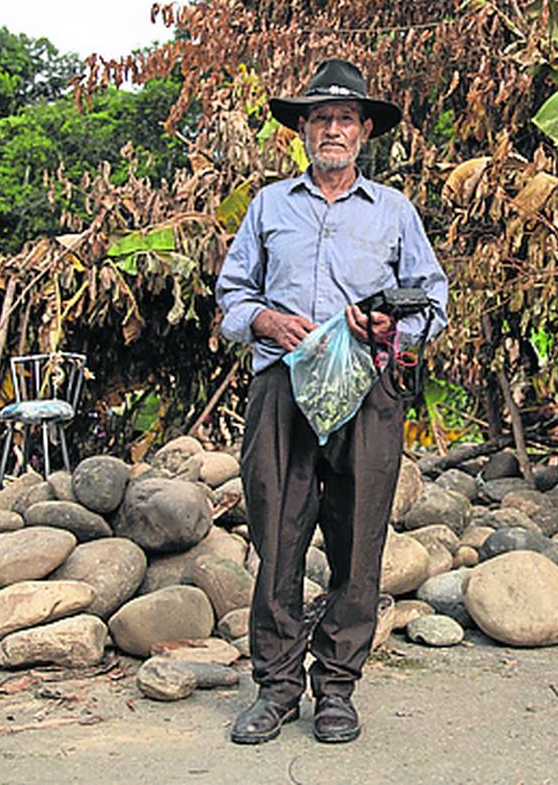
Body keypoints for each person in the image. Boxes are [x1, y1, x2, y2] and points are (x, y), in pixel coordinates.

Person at [215, 59, 449, 746]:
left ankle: (338, 688)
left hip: (367, 389)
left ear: (365, 130)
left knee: (358, 542)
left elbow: (431, 300)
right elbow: (232, 294)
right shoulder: (268, 205)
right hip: (282, 386)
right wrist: (263, 322)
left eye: (345, 118)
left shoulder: (396, 211)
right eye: (321, 118)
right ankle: (278, 688)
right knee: (277, 536)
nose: (333, 129)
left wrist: (390, 328)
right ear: (304, 131)